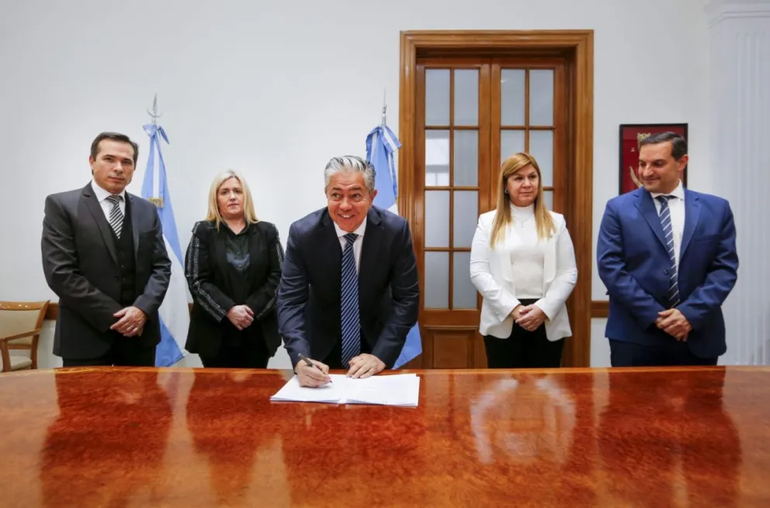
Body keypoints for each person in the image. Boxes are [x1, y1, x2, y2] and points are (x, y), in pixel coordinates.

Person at [597, 131, 738, 366]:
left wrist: (689, 314)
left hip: (697, 335)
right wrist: (658, 316)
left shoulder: (717, 209)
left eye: (658, 164)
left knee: (701, 405)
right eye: (642, 163)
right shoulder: (617, 209)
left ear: (682, 162)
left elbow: (724, 270)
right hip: (636, 337)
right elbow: (611, 268)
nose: (646, 172)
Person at [277, 155, 419, 386]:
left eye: (355, 195)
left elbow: (407, 298)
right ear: (326, 194)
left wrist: (381, 355)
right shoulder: (303, 234)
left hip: (376, 344)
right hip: (319, 349)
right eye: (336, 195)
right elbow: (290, 301)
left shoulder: (395, 231)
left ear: (372, 197)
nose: (344, 205)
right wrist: (300, 359)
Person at [41, 132, 171, 367]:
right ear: (92, 162)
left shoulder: (147, 211)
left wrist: (141, 310)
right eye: (109, 159)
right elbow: (61, 274)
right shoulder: (62, 206)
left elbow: (161, 267)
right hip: (85, 338)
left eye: (126, 162)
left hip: (140, 339)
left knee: (141, 405)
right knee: (82, 405)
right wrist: (120, 318)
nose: (118, 168)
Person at [470, 152, 577, 368]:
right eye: (518, 178)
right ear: (506, 185)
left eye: (532, 177)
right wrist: (513, 308)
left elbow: (569, 272)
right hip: (504, 317)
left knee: (545, 395)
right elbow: (479, 271)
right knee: (503, 395)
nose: (527, 184)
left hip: (546, 317)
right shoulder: (488, 222)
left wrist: (543, 309)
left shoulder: (557, 222)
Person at [184, 170, 283, 368]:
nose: (232, 196)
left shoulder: (267, 231)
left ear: (246, 196)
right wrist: (228, 309)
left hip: (256, 330)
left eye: (237, 191)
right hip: (215, 332)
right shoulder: (203, 231)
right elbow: (196, 279)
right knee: (215, 394)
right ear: (215, 198)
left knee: (255, 394)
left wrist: (250, 310)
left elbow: (280, 276)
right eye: (224, 192)